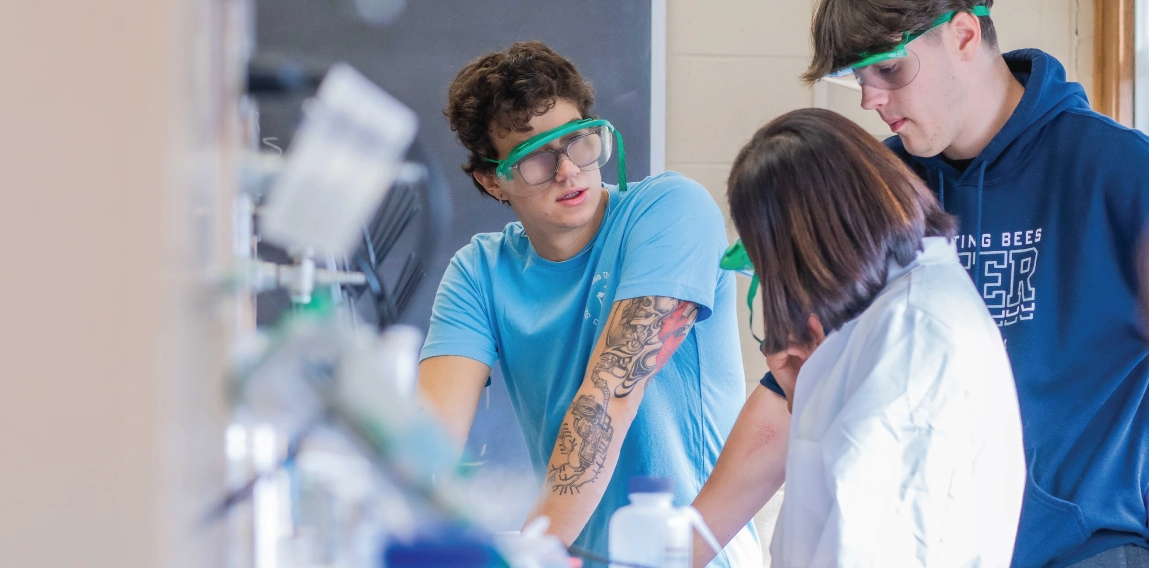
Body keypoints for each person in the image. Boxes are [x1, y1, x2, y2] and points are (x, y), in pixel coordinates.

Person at [692, 2, 1149, 567]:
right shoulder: (883, 192)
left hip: (1086, 549)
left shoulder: (1118, 171)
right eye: (856, 78)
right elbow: (797, 384)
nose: (869, 99)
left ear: (962, 34)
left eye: (887, 69)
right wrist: (676, 549)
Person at [417, 41, 760, 566]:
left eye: (576, 141)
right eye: (534, 156)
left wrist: (530, 555)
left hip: (695, 558)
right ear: (492, 180)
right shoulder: (479, 272)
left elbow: (608, 400)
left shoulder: (670, 211)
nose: (567, 171)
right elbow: (427, 444)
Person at [729, 107, 1027, 565]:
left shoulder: (911, 334)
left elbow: (868, 543)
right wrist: (803, 389)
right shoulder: (887, 315)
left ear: (808, 244)